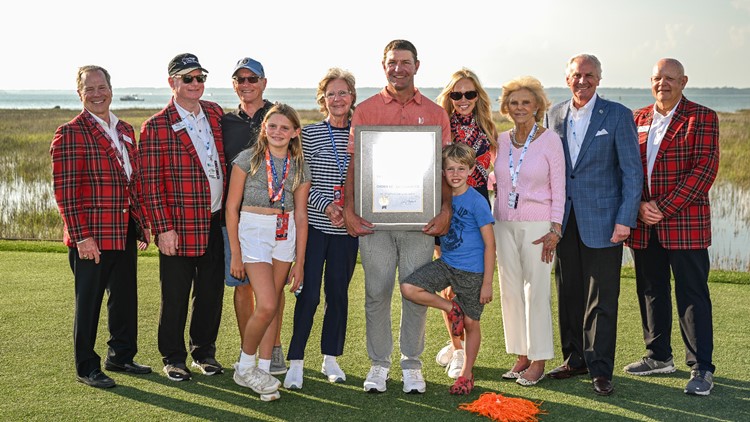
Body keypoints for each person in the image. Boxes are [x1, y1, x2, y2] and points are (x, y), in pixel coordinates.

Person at [343, 39, 452, 394]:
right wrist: (348, 209)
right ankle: (378, 364)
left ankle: (411, 365)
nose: (398, 68)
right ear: (383, 65)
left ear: (416, 66)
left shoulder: (436, 113)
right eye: (392, 62)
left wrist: (446, 209)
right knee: (376, 291)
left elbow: (445, 170)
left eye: (405, 62)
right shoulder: (367, 110)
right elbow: (355, 165)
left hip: (420, 223)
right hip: (374, 222)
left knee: (414, 292)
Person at [544, 53, 642, 396]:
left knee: (601, 298)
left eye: (588, 75)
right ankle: (574, 359)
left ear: (598, 78)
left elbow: (632, 173)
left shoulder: (617, 115)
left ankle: (600, 368)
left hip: (604, 221)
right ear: (566, 78)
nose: (581, 80)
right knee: (568, 290)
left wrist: (625, 220)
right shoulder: (553, 113)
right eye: (575, 75)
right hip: (564, 221)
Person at [51, 65, 152, 388]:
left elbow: (132, 182)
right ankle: (86, 366)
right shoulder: (70, 132)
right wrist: (81, 237)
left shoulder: (124, 129)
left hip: (123, 229)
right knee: (89, 302)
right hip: (91, 236)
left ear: (111, 88)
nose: (97, 94)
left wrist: (142, 224)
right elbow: (64, 192)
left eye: (101, 87)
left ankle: (121, 356)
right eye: (89, 89)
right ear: (79, 94)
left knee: (124, 298)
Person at [624, 58, 719, 396]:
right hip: (642, 224)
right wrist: (636, 205)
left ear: (683, 81)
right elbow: (625, 168)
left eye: (669, 78)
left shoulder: (702, 117)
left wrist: (662, 208)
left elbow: (704, 171)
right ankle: (658, 356)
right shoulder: (637, 118)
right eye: (656, 78)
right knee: (650, 291)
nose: (662, 83)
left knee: (692, 295)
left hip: (684, 224)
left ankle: (702, 368)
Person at [139, 53, 226, 382]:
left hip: (215, 222)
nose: (195, 84)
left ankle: (204, 352)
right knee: (174, 296)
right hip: (178, 227)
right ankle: (174, 357)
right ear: (172, 82)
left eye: (199, 78)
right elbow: (149, 185)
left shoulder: (215, 114)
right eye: (187, 78)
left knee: (210, 294)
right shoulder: (156, 126)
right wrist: (163, 229)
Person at [226, 103, 311, 398]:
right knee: (265, 304)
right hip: (253, 231)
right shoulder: (246, 159)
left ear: (295, 132)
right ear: (264, 128)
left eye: (285, 127)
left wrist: (300, 263)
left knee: (274, 303)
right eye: (272, 126)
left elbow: (302, 215)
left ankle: (262, 371)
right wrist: (235, 253)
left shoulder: (299, 165)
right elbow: (231, 208)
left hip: (285, 233)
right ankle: (245, 366)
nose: (278, 132)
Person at [283, 68, 359, 389]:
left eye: (343, 93)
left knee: (337, 296)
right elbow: (300, 181)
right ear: (323, 99)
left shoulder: (361, 134)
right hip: (314, 227)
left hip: (348, 231)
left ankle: (330, 358)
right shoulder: (310, 134)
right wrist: (328, 206)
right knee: (309, 295)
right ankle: (296, 361)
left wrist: (350, 210)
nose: (337, 99)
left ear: (352, 97)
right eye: (331, 94)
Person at [401, 142, 495, 395]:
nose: (455, 174)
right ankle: (450, 309)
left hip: (473, 273)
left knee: (471, 323)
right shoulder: (440, 199)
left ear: (471, 169)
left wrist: (487, 282)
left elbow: (490, 245)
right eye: (450, 169)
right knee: (409, 287)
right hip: (447, 265)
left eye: (461, 168)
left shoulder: (477, 201)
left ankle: (466, 374)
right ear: (443, 171)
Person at [494, 76, 565, 386]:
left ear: (538, 105)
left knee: (535, 293)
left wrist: (556, 228)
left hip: (539, 226)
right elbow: (492, 180)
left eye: (526, 102)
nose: (519, 107)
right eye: (514, 102)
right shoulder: (500, 139)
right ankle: (520, 355)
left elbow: (559, 188)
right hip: (503, 224)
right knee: (510, 292)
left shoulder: (550, 140)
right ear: (506, 107)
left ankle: (538, 359)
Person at [220, 57, 287, 376]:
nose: (246, 84)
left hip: (276, 218)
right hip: (237, 218)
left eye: (252, 79)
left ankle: (273, 350)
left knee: (274, 289)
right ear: (234, 84)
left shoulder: (277, 115)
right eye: (240, 79)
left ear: (263, 82)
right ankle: (249, 348)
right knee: (243, 286)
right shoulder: (224, 121)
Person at [432, 68, 498, 379]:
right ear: (449, 97)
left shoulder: (488, 130)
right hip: (444, 212)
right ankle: (456, 347)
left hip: (475, 213)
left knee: (466, 289)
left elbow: (484, 177)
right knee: (447, 289)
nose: (463, 100)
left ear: (477, 96)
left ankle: (462, 350)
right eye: (456, 94)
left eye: (469, 94)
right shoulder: (439, 130)